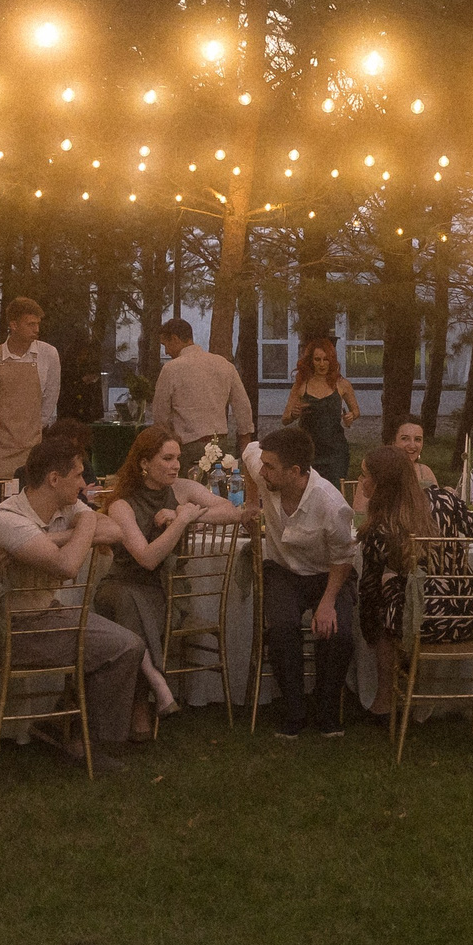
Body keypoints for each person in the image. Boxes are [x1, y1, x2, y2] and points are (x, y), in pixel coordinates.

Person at [0, 434, 141, 771]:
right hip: (5, 632)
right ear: (54, 479)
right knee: (123, 646)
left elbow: (115, 532)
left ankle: (64, 728)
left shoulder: (65, 508)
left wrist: (53, 536)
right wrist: (87, 522)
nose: (83, 484)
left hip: (43, 618)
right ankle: (82, 741)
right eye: (78, 475)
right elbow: (67, 567)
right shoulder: (7, 519)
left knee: (125, 644)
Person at [95, 425, 251, 741]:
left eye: (177, 458)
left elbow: (231, 511)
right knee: (129, 602)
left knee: (134, 612)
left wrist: (187, 514)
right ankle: (152, 690)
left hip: (166, 591)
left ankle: (144, 700)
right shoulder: (122, 504)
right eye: (167, 459)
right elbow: (147, 559)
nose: (175, 465)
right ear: (144, 463)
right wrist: (181, 522)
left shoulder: (182, 490)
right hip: (121, 585)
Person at [353, 443, 473, 729]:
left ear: (381, 483)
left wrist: (369, 633)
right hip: (468, 618)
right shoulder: (444, 499)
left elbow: (368, 588)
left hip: (418, 625)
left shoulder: (380, 526)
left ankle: (384, 700)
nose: (360, 480)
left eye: (365, 475)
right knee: (399, 588)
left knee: (384, 594)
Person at [252, 424, 359, 739]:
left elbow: (344, 557)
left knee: (337, 632)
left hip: (328, 574)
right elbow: (248, 455)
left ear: (295, 471)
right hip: (282, 570)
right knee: (281, 627)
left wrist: (327, 603)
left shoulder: (330, 503)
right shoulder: (264, 468)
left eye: (270, 467)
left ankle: (327, 711)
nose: (262, 471)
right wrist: (250, 503)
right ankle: (293, 712)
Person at [147, 316, 253, 471]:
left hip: (187, 447)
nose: (166, 351)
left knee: (187, 486)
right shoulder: (224, 365)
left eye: (166, 345)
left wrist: (166, 444)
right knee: (217, 485)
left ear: (175, 339)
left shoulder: (171, 369)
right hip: (220, 445)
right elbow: (243, 406)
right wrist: (245, 440)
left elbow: (160, 414)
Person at [0, 297, 59, 484]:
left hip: (33, 447)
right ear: (13, 325)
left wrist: (31, 429)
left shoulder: (48, 354)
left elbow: (50, 399)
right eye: (30, 324)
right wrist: (4, 432)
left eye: (38, 324)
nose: (36, 329)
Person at [285, 337, 361, 485]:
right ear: (311, 361)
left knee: (335, 490)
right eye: (317, 359)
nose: (321, 364)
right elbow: (285, 419)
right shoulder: (301, 385)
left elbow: (356, 411)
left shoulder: (342, 384)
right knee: (309, 490)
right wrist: (294, 414)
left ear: (332, 361)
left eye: (326, 359)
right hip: (309, 450)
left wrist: (351, 416)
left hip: (335, 451)